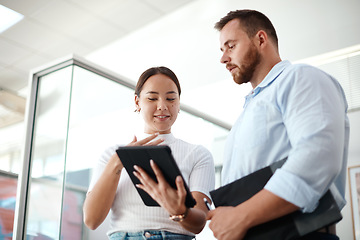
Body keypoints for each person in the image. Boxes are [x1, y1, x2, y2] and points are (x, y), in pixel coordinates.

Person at [207, 9, 349, 240]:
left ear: (260, 39)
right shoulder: (246, 114)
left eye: (231, 46)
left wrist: (241, 216)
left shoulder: (300, 78)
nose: (223, 58)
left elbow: (317, 158)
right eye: (222, 50)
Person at [83, 66, 215, 240]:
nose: (162, 106)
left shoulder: (197, 154)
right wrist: (117, 163)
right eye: (152, 98)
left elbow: (199, 223)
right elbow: (92, 220)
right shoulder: (112, 155)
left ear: (178, 104)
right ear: (137, 102)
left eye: (171, 98)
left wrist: (179, 210)